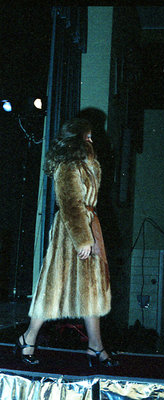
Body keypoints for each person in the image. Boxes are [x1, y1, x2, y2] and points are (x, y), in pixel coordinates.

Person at [14, 118, 117, 367]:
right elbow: (70, 205)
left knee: (92, 288)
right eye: (88, 136)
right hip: (73, 231)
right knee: (54, 286)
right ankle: (28, 338)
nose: (91, 140)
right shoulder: (68, 165)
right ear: (77, 138)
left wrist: (91, 234)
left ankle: (95, 346)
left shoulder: (86, 164)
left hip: (89, 225)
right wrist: (83, 239)